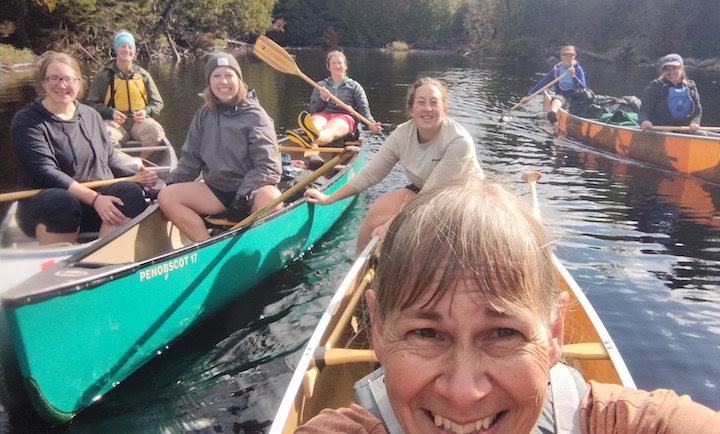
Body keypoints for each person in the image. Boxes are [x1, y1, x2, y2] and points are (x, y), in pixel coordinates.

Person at [296, 179, 720, 434]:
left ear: (554, 335)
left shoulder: (624, 424)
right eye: (426, 333)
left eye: (503, 333)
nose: (464, 394)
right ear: (377, 333)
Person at [304, 77, 483, 254]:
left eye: (434, 103)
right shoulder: (402, 134)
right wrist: (329, 198)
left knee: (412, 233)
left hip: (462, 197)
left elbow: (431, 195)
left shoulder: (459, 141)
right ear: (411, 110)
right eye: (421, 102)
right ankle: (362, 273)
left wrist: (391, 225)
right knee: (376, 214)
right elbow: (371, 174)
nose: (427, 108)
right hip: (424, 190)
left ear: (444, 109)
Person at [10, 51, 157, 245]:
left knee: (129, 191)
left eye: (68, 79)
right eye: (54, 78)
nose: (62, 85)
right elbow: (45, 172)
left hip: (96, 204)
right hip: (48, 205)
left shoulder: (90, 116)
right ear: (43, 83)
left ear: (79, 84)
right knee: (61, 201)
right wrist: (95, 199)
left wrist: (139, 176)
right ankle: (62, 263)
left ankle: (105, 258)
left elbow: (109, 159)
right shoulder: (27, 121)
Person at [158, 52, 282, 243]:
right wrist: (172, 183)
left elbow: (268, 167)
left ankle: (254, 243)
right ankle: (206, 244)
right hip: (217, 190)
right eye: (217, 76)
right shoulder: (204, 114)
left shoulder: (256, 116)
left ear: (238, 80)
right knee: (166, 197)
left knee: (272, 199)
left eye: (228, 75)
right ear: (209, 82)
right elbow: (190, 158)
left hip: (251, 191)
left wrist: (242, 198)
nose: (223, 82)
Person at [87, 30, 166, 151]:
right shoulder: (103, 76)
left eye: (130, 47)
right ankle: (120, 166)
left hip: (139, 123)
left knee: (156, 131)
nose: (127, 50)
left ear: (134, 51)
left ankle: (142, 165)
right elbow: (92, 103)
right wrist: (110, 113)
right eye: (123, 46)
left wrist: (146, 111)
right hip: (113, 123)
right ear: (116, 49)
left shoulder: (143, 75)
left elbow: (157, 102)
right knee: (106, 138)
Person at [289, 50, 381, 149]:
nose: (337, 66)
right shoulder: (321, 85)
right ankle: (310, 136)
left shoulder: (355, 87)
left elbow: (364, 110)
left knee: (330, 129)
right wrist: (323, 99)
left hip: (344, 117)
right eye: (333, 63)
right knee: (316, 123)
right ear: (329, 67)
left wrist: (371, 124)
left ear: (345, 66)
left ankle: (310, 139)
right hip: (323, 115)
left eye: (340, 63)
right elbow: (313, 110)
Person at [521, 45, 588, 123]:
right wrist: (529, 96)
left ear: (574, 57)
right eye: (565, 55)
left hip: (577, 99)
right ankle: (552, 114)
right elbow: (543, 83)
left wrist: (574, 77)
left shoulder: (578, 70)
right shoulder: (556, 70)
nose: (568, 58)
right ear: (561, 57)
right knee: (557, 100)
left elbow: (583, 87)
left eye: (571, 55)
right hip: (563, 97)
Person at [639, 53, 702, 133]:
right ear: (663, 71)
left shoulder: (690, 86)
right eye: (667, 69)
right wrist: (645, 121)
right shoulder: (655, 86)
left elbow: (697, 111)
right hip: (660, 129)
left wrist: (695, 122)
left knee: (703, 135)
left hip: (684, 129)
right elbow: (643, 111)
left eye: (674, 68)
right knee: (666, 132)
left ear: (681, 69)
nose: (671, 72)